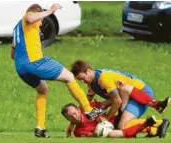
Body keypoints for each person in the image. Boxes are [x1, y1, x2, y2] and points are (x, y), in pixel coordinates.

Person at [11, 4, 104, 138]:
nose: (41, 24)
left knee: (42, 90)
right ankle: (89, 110)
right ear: (37, 13)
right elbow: (31, 18)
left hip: (21, 68)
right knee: (70, 77)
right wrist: (50, 11)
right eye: (41, 20)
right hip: (35, 61)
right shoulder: (29, 17)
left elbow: (12, 54)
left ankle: (40, 127)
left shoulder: (16, 29)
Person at [70, 60, 171, 129]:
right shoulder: (91, 84)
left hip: (142, 93)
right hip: (126, 99)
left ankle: (157, 113)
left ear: (88, 71)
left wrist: (107, 118)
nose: (82, 81)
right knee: (121, 127)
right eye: (80, 80)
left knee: (120, 122)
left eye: (82, 78)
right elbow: (85, 103)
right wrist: (73, 122)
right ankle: (154, 129)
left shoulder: (103, 78)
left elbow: (117, 100)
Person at [61, 102, 170, 138]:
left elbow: (105, 104)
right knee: (114, 133)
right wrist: (98, 129)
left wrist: (102, 115)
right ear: (67, 119)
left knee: (124, 125)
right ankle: (153, 130)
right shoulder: (77, 132)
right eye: (70, 117)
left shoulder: (88, 110)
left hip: (116, 121)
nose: (75, 116)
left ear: (78, 109)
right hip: (110, 131)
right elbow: (92, 136)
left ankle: (159, 123)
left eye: (75, 113)